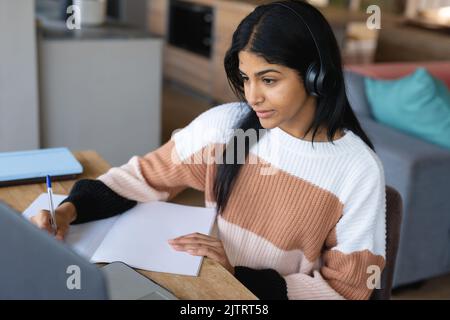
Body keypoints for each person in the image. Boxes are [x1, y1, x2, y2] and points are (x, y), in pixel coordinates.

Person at [31, 0, 386, 300]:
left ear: (316, 76)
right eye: (246, 79)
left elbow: (346, 290)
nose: (252, 96)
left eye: (269, 79)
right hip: (208, 287)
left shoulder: (357, 169)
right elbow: (142, 177)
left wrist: (240, 276)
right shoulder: (227, 128)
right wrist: (68, 211)